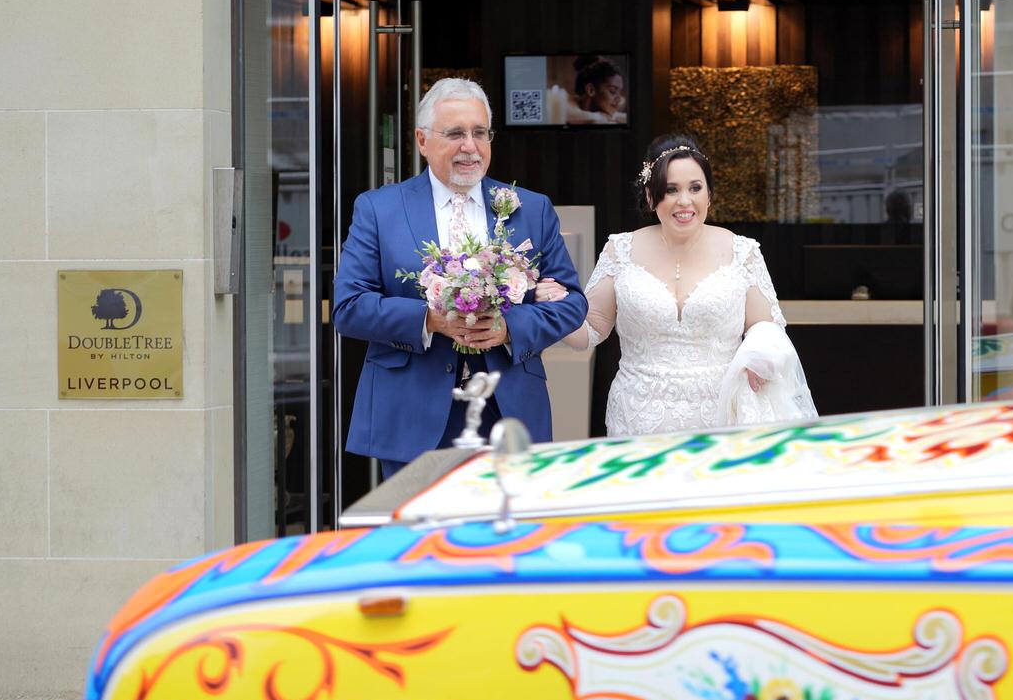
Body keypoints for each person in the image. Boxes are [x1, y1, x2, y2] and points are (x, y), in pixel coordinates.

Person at [334, 78, 587, 478]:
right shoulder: (379, 209)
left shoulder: (531, 208)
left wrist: (509, 328)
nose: (470, 146)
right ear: (422, 140)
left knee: (506, 520)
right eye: (455, 134)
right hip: (412, 415)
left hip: (508, 411)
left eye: (480, 133)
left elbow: (573, 303)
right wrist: (430, 320)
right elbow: (349, 307)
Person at [536, 135, 812, 436]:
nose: (684, 201)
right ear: (650, 196)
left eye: (695, 188)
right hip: (637, 416)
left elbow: (767, 326)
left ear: (709, 194)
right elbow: (590, 330)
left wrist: (760, 356)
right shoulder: (620, 250)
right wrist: (556, 306)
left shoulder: (742, 252)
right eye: (671, 190)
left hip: (722, 415)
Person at [550, 55, 626, 124]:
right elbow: (564, 113)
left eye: (619, 92)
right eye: (613, 91)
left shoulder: (605, 115)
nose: (619, 98)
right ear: (591, 90)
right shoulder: (564, 102)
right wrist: (597, 117)